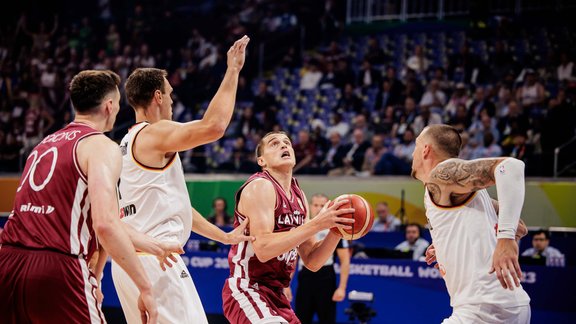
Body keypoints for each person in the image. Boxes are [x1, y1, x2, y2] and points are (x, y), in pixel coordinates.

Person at [112, 36, 254, 324]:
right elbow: (213, 127)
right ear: (158, 97)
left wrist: (224, 236)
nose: (173, 101)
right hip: (156, 259)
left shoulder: (124, 144)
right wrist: (233, 71)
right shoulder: (153, 133)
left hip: (129, 261)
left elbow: (175, 206)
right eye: (170, 93)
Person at [0, 70, 160, 323]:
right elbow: (106, 224)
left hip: (7, 262)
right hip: (57, 267)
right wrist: (145, 287)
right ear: (109, 106)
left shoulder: (43, 144)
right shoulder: (100, 146)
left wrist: (96, 276)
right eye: (117, 105)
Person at [222, 131, 355, 324]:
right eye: (274, 144)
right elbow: (264, 249)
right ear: (261, 161)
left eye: (287, 143)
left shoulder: (299, 196)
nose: (284, 146)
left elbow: (312, 261)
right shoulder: (260, 186)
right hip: (248, 289)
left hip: (277, 296)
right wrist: (317, 223)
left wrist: (336, 229)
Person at [412, 124, 531, 323]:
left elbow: (510, 166)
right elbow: (521, 227)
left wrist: (506, 238)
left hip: (483, 308)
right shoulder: (461, 190)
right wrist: (448, 243)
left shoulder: (442, 173)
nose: (413, 153)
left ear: (425, 149)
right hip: (507, 303)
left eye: (416, 145)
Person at [293, 193, 351, 324]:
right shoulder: (302, 227)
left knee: (327, 320)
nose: (318, 208)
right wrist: (286, 286)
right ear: (310, 206)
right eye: (315, 205)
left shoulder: (336, 228)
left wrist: (342, 287)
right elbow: (293, 258)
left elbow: (345, 260)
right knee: (300, 319)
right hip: (305, 278)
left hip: (326, 278)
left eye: (322, 205)